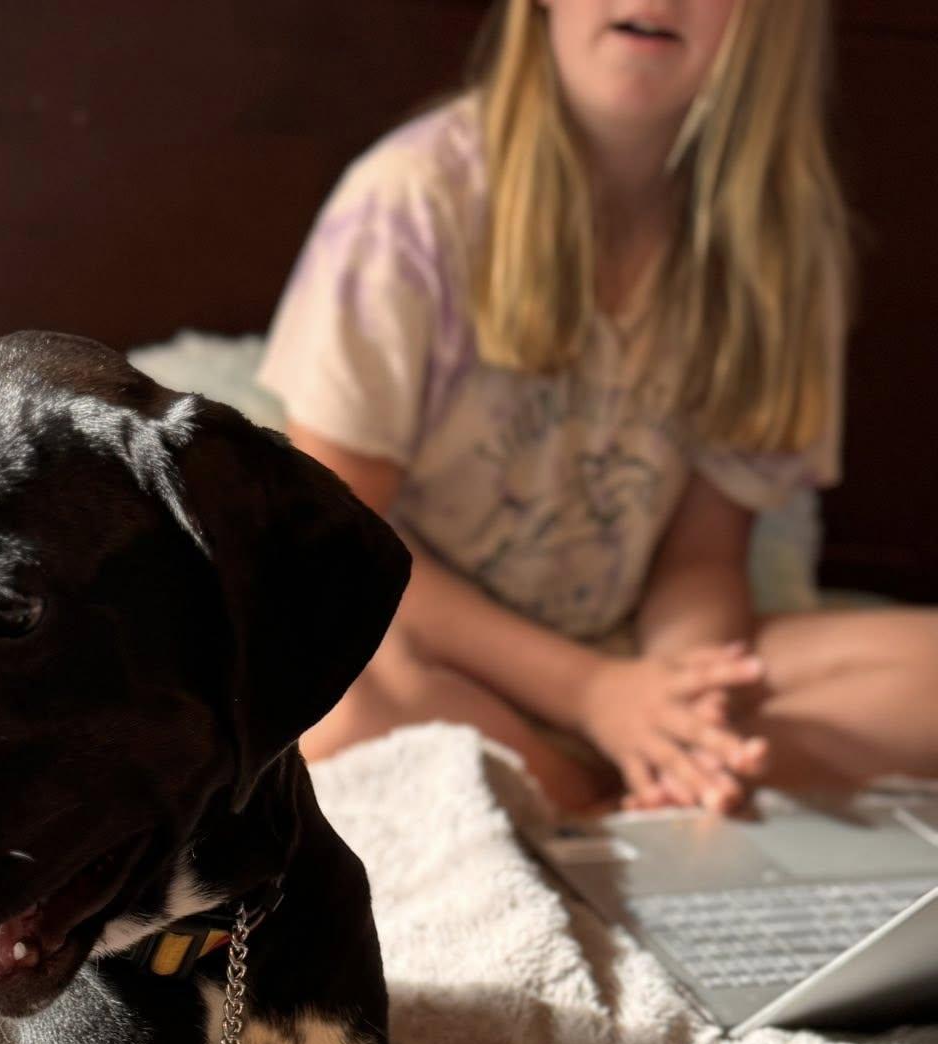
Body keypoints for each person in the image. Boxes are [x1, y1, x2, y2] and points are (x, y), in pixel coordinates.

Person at [259, 0, 938, 814]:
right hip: (438, 656)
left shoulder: (783, 250)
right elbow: (339, 542)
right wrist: (592, 695)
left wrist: (679, 707)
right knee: (330, 699)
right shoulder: (412, 199)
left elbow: (703, 557)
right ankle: (587, 796)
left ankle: (616, 791)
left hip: (624, 649)